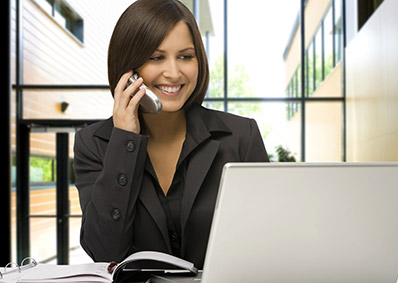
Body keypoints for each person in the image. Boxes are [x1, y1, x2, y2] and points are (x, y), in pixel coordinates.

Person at [73, 0, 269, 269]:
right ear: (129, 70)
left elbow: (266, 241)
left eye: (186, 56)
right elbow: (105, 252)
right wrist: (124, 142)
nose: (174, 73)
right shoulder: (94, 144)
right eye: (156, 57)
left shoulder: (240, 136)